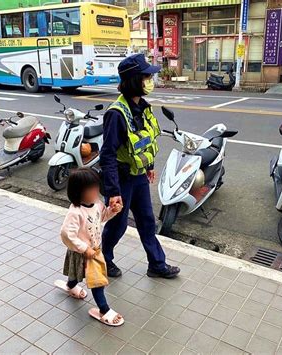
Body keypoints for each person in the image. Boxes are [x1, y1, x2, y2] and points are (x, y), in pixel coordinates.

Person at [100, 53, 180, 279]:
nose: (150, 80)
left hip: (139, 177)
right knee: (117, 225)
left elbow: (146, 140)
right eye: (146, 76)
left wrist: (149, 165)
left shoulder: (144, 107)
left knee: (147, 221)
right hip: (122, 179)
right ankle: (104, 260)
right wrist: (114, 191)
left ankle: (156, 264)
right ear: (135, 80)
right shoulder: (116, 114)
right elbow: (107, 155)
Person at [57, 168, 124, 327]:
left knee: (77, 274)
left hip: (94, 250)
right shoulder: (76, 212)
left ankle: (70, 286)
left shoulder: (98, 204)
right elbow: (67, 233)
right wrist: (84, 248)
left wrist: (112, 211)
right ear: (78, 192)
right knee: (97, 282)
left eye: (96, 187)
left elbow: (101, 218)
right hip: (83, 252)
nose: (96, 191)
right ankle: (104, 310)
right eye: (91, 189)